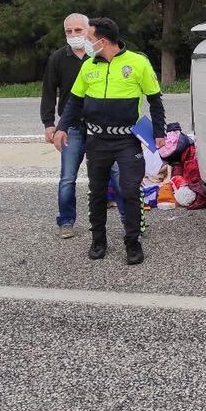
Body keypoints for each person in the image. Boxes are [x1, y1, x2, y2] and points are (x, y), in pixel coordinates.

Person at [54, 18, 165, 266]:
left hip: (127, 140)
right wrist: (61, 127)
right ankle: (98, 240)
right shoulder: (88, 66)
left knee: (129, 190)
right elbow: (75, 102)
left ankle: (133, 242)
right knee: (97, 192)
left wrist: (160, 131)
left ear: (102, 41)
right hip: (97, 140)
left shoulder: (138, 63)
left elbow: (155, 100)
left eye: (89, 38)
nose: (86, 43)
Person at [40, 13, 90, 239]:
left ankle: (128, 220)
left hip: (99, 126)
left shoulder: (98, 55)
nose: (73, 35)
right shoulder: (58, 58)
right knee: (68, 177)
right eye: (69, 31)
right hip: (71, 128)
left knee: (115, 174)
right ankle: (66, 221)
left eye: (78, 30)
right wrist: (49, 124)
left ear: (88, 30)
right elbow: (49, 92)